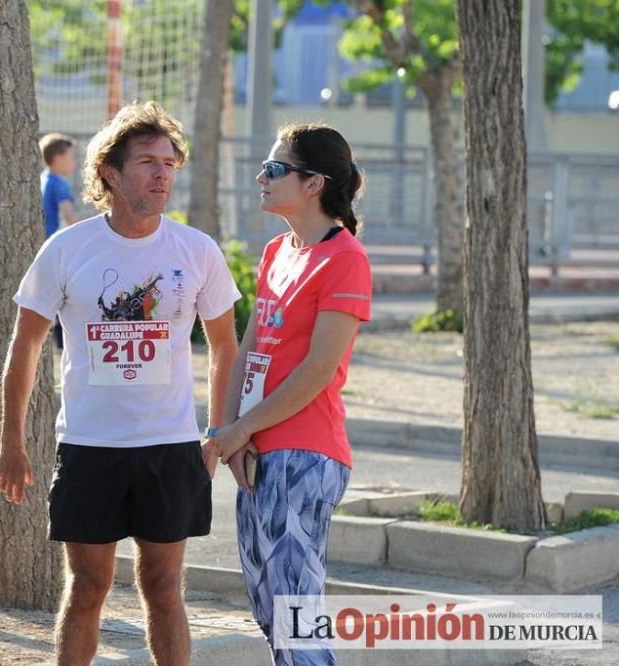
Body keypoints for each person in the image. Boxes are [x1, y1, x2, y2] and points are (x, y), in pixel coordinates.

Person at [0, 101, 240, 665]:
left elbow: (225, 345)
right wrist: (12, 442)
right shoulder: (67, 249)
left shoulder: (196, 249)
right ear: (110, 172)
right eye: (148, 162)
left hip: (169, 446)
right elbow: (24, 346)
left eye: (170, 162)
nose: (162, 174)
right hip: (90, 446)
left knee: (164, 586)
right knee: (87, 587)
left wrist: (218, 431)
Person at [206, 124, 371, 666]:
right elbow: (250, 347)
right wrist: (227, 434)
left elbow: (318, 370)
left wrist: (242, 430)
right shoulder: (278, 251)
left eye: (275, 169)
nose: (261, 177)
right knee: (269, 609)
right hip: (255, 449)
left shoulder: (345, 258)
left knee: (296, 619)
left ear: (313, 184)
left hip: (305, 453)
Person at [39, 132, 78, 237]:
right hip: (54, 239)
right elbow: (68, 215)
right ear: (58, 159)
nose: (74, 162)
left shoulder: (42, 179)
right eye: (71, 157)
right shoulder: (59, 184)